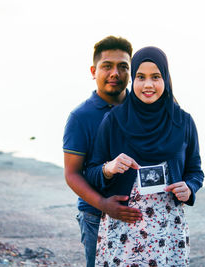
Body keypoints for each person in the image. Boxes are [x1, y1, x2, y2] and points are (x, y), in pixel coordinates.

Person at [86, 46, 204, 266]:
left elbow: (195, 171)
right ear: (133, 80)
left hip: (168, 231)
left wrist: (189, 189)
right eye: (140, 77)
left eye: (156, 77)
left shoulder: (183, 122)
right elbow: (91, 172)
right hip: (122, 230)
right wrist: (108, 168)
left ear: (166, 79)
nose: (148, 84)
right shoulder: (114, 120)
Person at [63, 36, 142, 267]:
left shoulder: (143, 108)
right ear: (93, 70)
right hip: (96, 215)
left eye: (123, 66)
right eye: (107, 66)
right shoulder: (80, 117)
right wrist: (103, 204)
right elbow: (72, 174)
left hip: (140, 213)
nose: (115, 73)